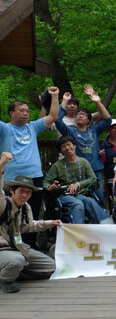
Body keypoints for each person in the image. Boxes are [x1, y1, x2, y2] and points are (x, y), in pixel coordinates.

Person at [0, 87, 59, 247]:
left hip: (34, 178)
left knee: (30, 215)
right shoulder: (5, 128)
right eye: (21, 110)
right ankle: (8, 246)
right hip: (12, 180)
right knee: (7, 214)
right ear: (12, 113)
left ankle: (29, 247)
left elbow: (53, 116)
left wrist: (54, 96)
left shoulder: (32, 127)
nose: (26, 113)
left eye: (27, 111)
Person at [0, 152, 62, 293]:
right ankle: (5, 281)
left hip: (18, 247)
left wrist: (51, 223)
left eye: (28, 192)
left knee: (51, 267)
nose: (24, 195)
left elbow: (29, 225)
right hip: (2, 249)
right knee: (16, 261)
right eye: (21, 191)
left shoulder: (25, 207)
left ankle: (12, 272)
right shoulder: (3, 203)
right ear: (12, 191)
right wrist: (2, 165)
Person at [55, 88, 112, 206]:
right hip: (79, 170)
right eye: (79, 114)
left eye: (83, 115)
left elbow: (108, 120)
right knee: (80, 199)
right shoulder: (70, 131)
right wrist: (64, 102)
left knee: (99, 198)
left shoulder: (94, 130)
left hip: (95, 169)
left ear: (89, 120)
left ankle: (99, 221)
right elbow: (58, 121)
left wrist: (97, 102)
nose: (80, 116)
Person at [44, 136, 111, 224]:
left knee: (90, 201)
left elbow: (93, 179)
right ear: (61, 150)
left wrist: (78, 184)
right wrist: (50, 186)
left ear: (75, 145)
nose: (67, 148)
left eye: (69, 145)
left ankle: (107, 225)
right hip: (64, 195)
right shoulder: (57, 165)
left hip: (80, 193)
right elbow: (46, 182)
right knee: (77, 204)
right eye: (64, 146)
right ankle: (78, 231)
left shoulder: (83, 162)